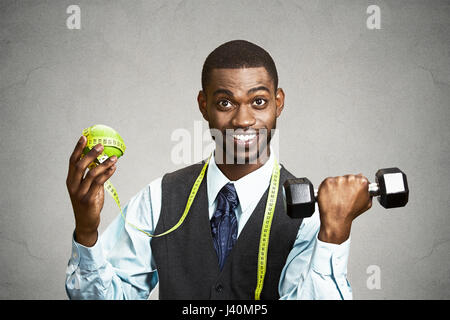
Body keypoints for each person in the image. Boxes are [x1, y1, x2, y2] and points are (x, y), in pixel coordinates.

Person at [65, 40, 372, 300]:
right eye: (225, 103)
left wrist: (333, 235)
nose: (243, 120)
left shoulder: (308, 214)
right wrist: (87, 231)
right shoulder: (159, 199)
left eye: (259, 101)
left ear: (278, 103)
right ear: (204, 104)